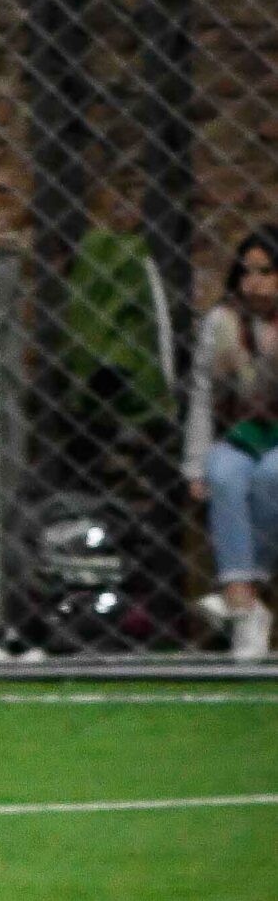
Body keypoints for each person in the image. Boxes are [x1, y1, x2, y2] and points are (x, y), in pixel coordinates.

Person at [185, 225, 278, 661]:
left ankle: (244, 594)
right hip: (240, 434)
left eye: (265, 271)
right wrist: (195, 465)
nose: (253, 282)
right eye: (246, 271)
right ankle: (244, 603)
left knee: (271, 476)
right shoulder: (221, 323)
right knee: (224, 473)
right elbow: (202, 396)